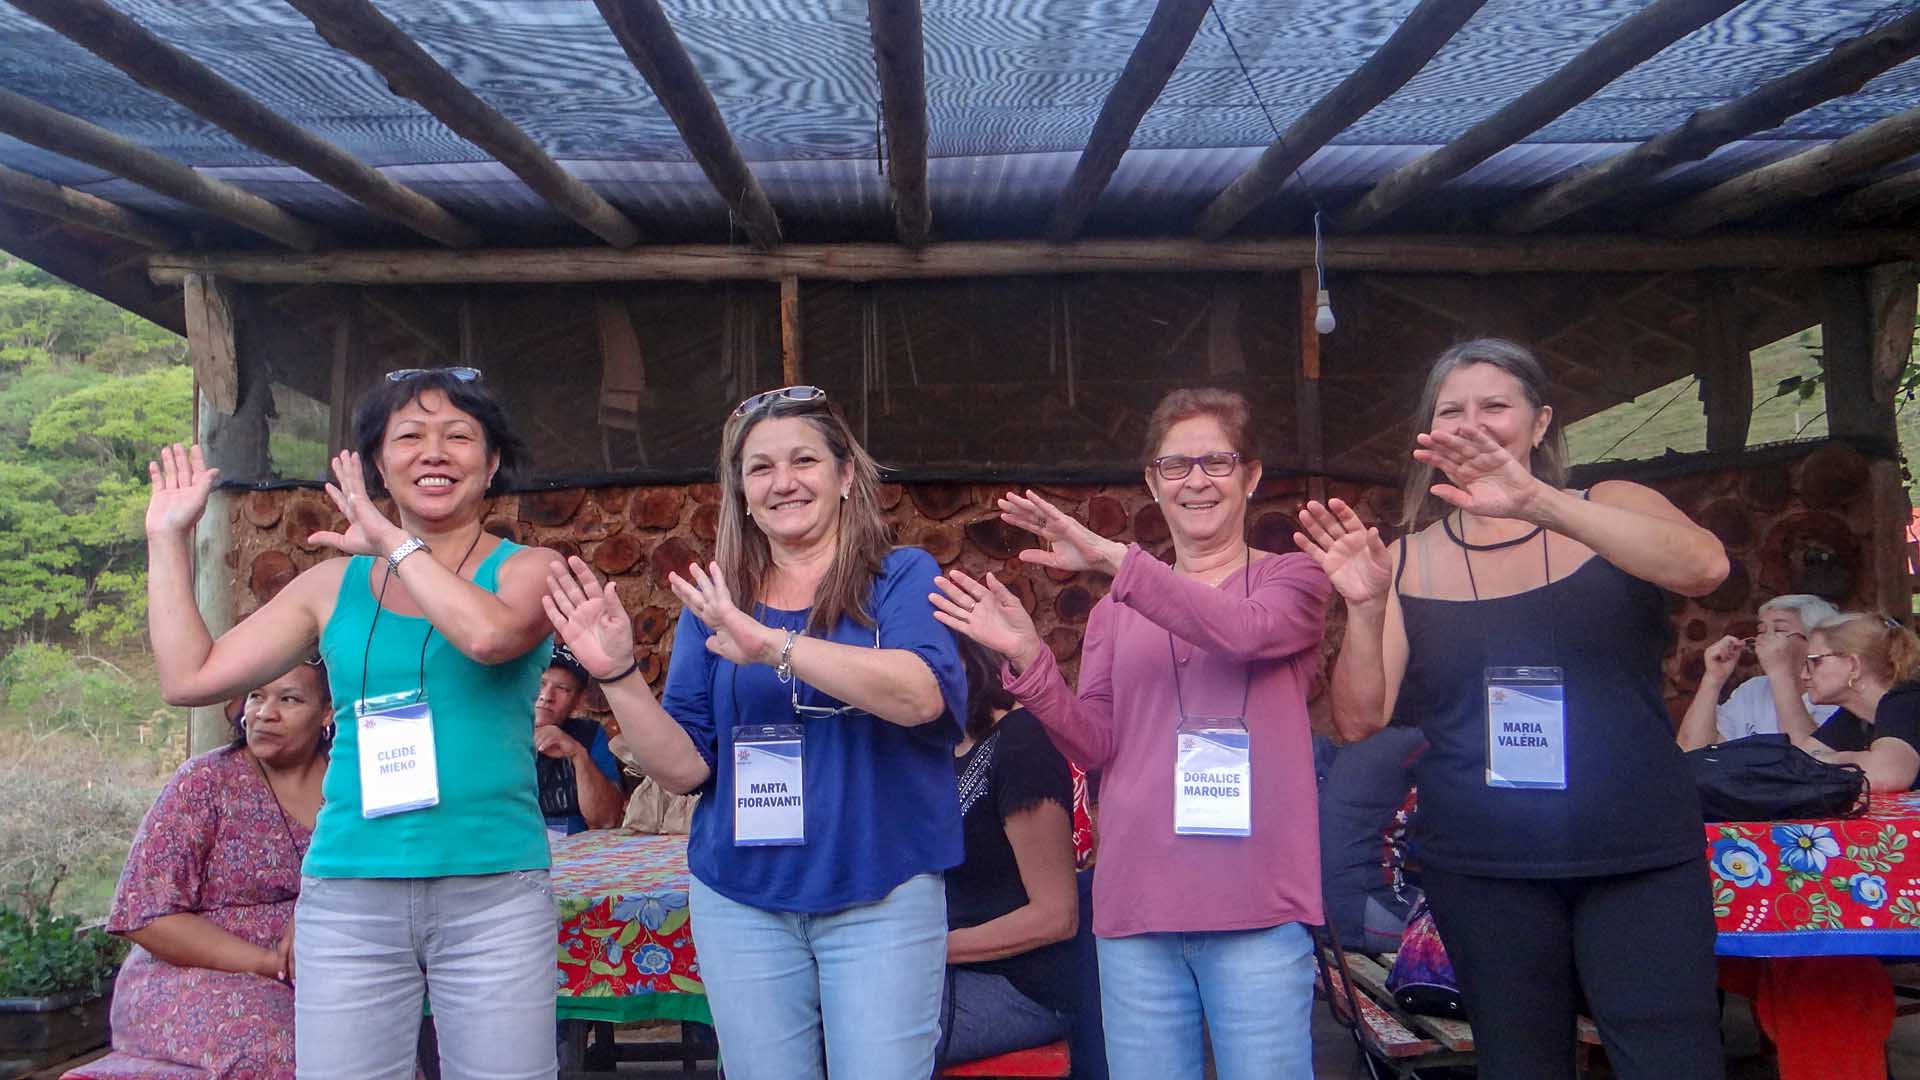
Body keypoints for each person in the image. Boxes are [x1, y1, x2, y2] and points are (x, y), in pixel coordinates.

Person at [1296, 337, 1730, 1079]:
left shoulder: (1611, 505)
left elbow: (1706, 567)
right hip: (1482, 865)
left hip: (1637, 852)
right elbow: (1360, 720)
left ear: (1540, 423)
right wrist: (1364, 609)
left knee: (1671, 1057)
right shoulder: (1407, 558)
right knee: (1518, 1063)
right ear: (1429, 434)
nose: (1472, 423)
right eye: (1451, 411)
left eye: (1494, 405)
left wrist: (1536, 502)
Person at [143, 368, 563, 1080]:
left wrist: (391, 541)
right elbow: (189, 677)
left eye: (459, 437)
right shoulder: (330, 587)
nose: (434, 453)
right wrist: (166, 539)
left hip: (492, 892)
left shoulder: (530, 569)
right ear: (377, 464)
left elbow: (487, 637)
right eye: (410, 437)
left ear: (492, 464)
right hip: (348, 895)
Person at [542, 385, 966, 1080]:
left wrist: (772, 646)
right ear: (741, 492)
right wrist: (617, 674)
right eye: (760, 467)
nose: (783, 481)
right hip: (741, 899)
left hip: (881, 889)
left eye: (804, 460)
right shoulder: (714, 602)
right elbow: (684, 769)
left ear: (845, 476)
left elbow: (921, 695)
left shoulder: (900, 577)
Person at [932, 387, 1331, 1080]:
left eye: (1216, 461)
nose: (1196, 480)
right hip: (1137, 913)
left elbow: (1243, 632)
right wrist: (1029, 659)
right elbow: (1095, 743)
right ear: (1153, 482)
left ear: (1251, 475)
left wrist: (1114, 559)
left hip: (1259, 911)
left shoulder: (1290, 579)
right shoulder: (1115, 613)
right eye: (1176, 465)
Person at [103, 658, 332, 1079]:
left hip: (325, 970)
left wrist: (314, 916)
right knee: (279, 1046)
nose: (265, 713)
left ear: (327, 713)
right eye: (256, 696)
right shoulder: (206, 781)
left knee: (369, 1047)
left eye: (289, 699)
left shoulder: (350, 786)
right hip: (191, 976)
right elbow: (144, 914)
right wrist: (270, 963)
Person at [937, 638, 1080, 1066]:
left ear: (961, 659)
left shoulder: (1021, 742)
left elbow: (1056, 916)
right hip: (951, 974)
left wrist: (928, 949)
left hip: (1021, 986)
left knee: (861, 1031)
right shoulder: (948, 747)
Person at [1676, 594, 1839, 750]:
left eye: (1779, 630)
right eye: (1761, 631)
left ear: (1815, 641)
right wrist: (1713, 679)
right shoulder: (1753, 689)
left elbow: (1810, 756)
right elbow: (1691, 747)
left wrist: (1780, 673)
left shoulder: (1835, 692)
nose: (1763, 638)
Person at [1789, 612, 1920, 793]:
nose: (1804, 674)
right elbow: (1797, 763)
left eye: (1814, 662)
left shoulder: (1906, 702)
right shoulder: (1857, 714)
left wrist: (1831, 759)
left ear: (1853, 665)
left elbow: (1887, 775)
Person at [534, 642, 625, 834]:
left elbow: (606, 820)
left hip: (575, 846)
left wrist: (577, 753)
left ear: (579, 701)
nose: (546, 696)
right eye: (540, 683)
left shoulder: (589, 734)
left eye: (562, 688)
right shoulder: (498, 733)